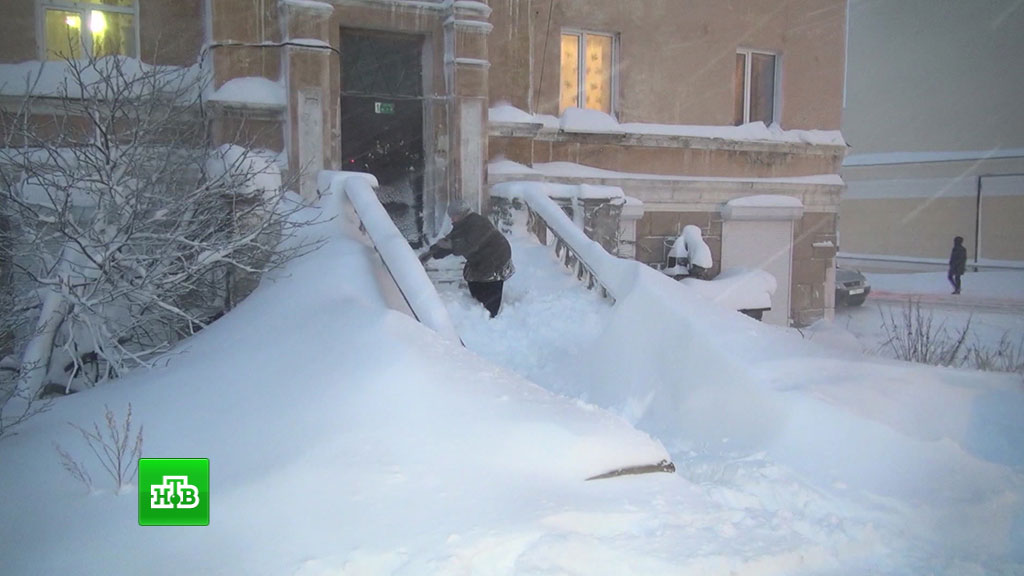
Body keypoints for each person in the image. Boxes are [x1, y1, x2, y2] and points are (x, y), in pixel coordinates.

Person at [419, 199, 515, 317]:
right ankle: (479, 312)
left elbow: (469, 245)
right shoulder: (461, 225)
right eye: (451, 216)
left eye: (454, 216)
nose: (452, 219)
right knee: (474, 283)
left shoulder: (478, 223)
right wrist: (432, 252)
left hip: (496, 258)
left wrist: (451, 245)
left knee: (490, 288)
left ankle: (490, 317)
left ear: (462, 214)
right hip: (481, 260)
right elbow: (451, 239)